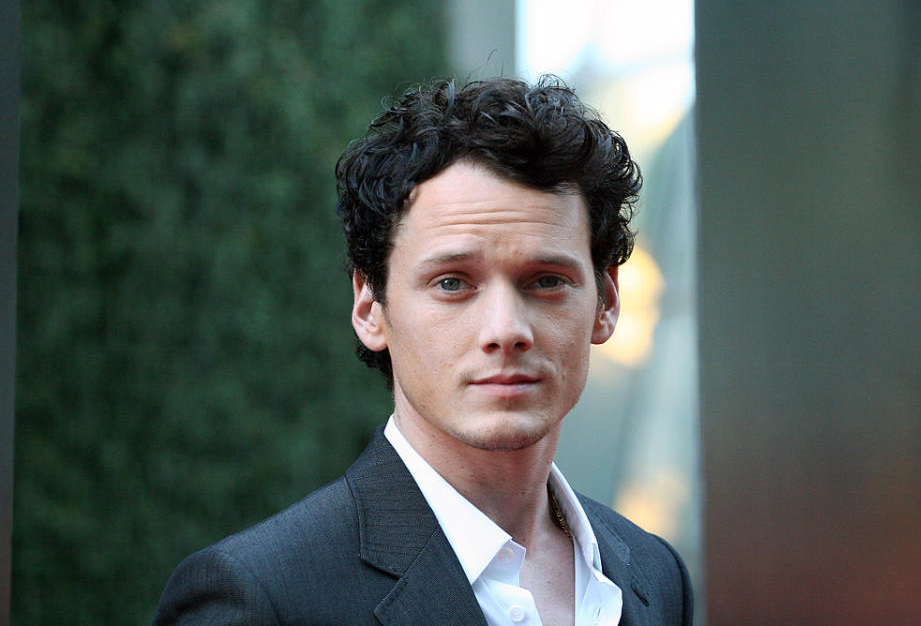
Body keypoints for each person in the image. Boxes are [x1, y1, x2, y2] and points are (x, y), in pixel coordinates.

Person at [154, 76, 692, 626]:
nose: (506, 330)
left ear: (605, 302)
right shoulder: (258, 597)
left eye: (546, 280)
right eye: (453, 283)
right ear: (370, 307)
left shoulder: (651, 572)